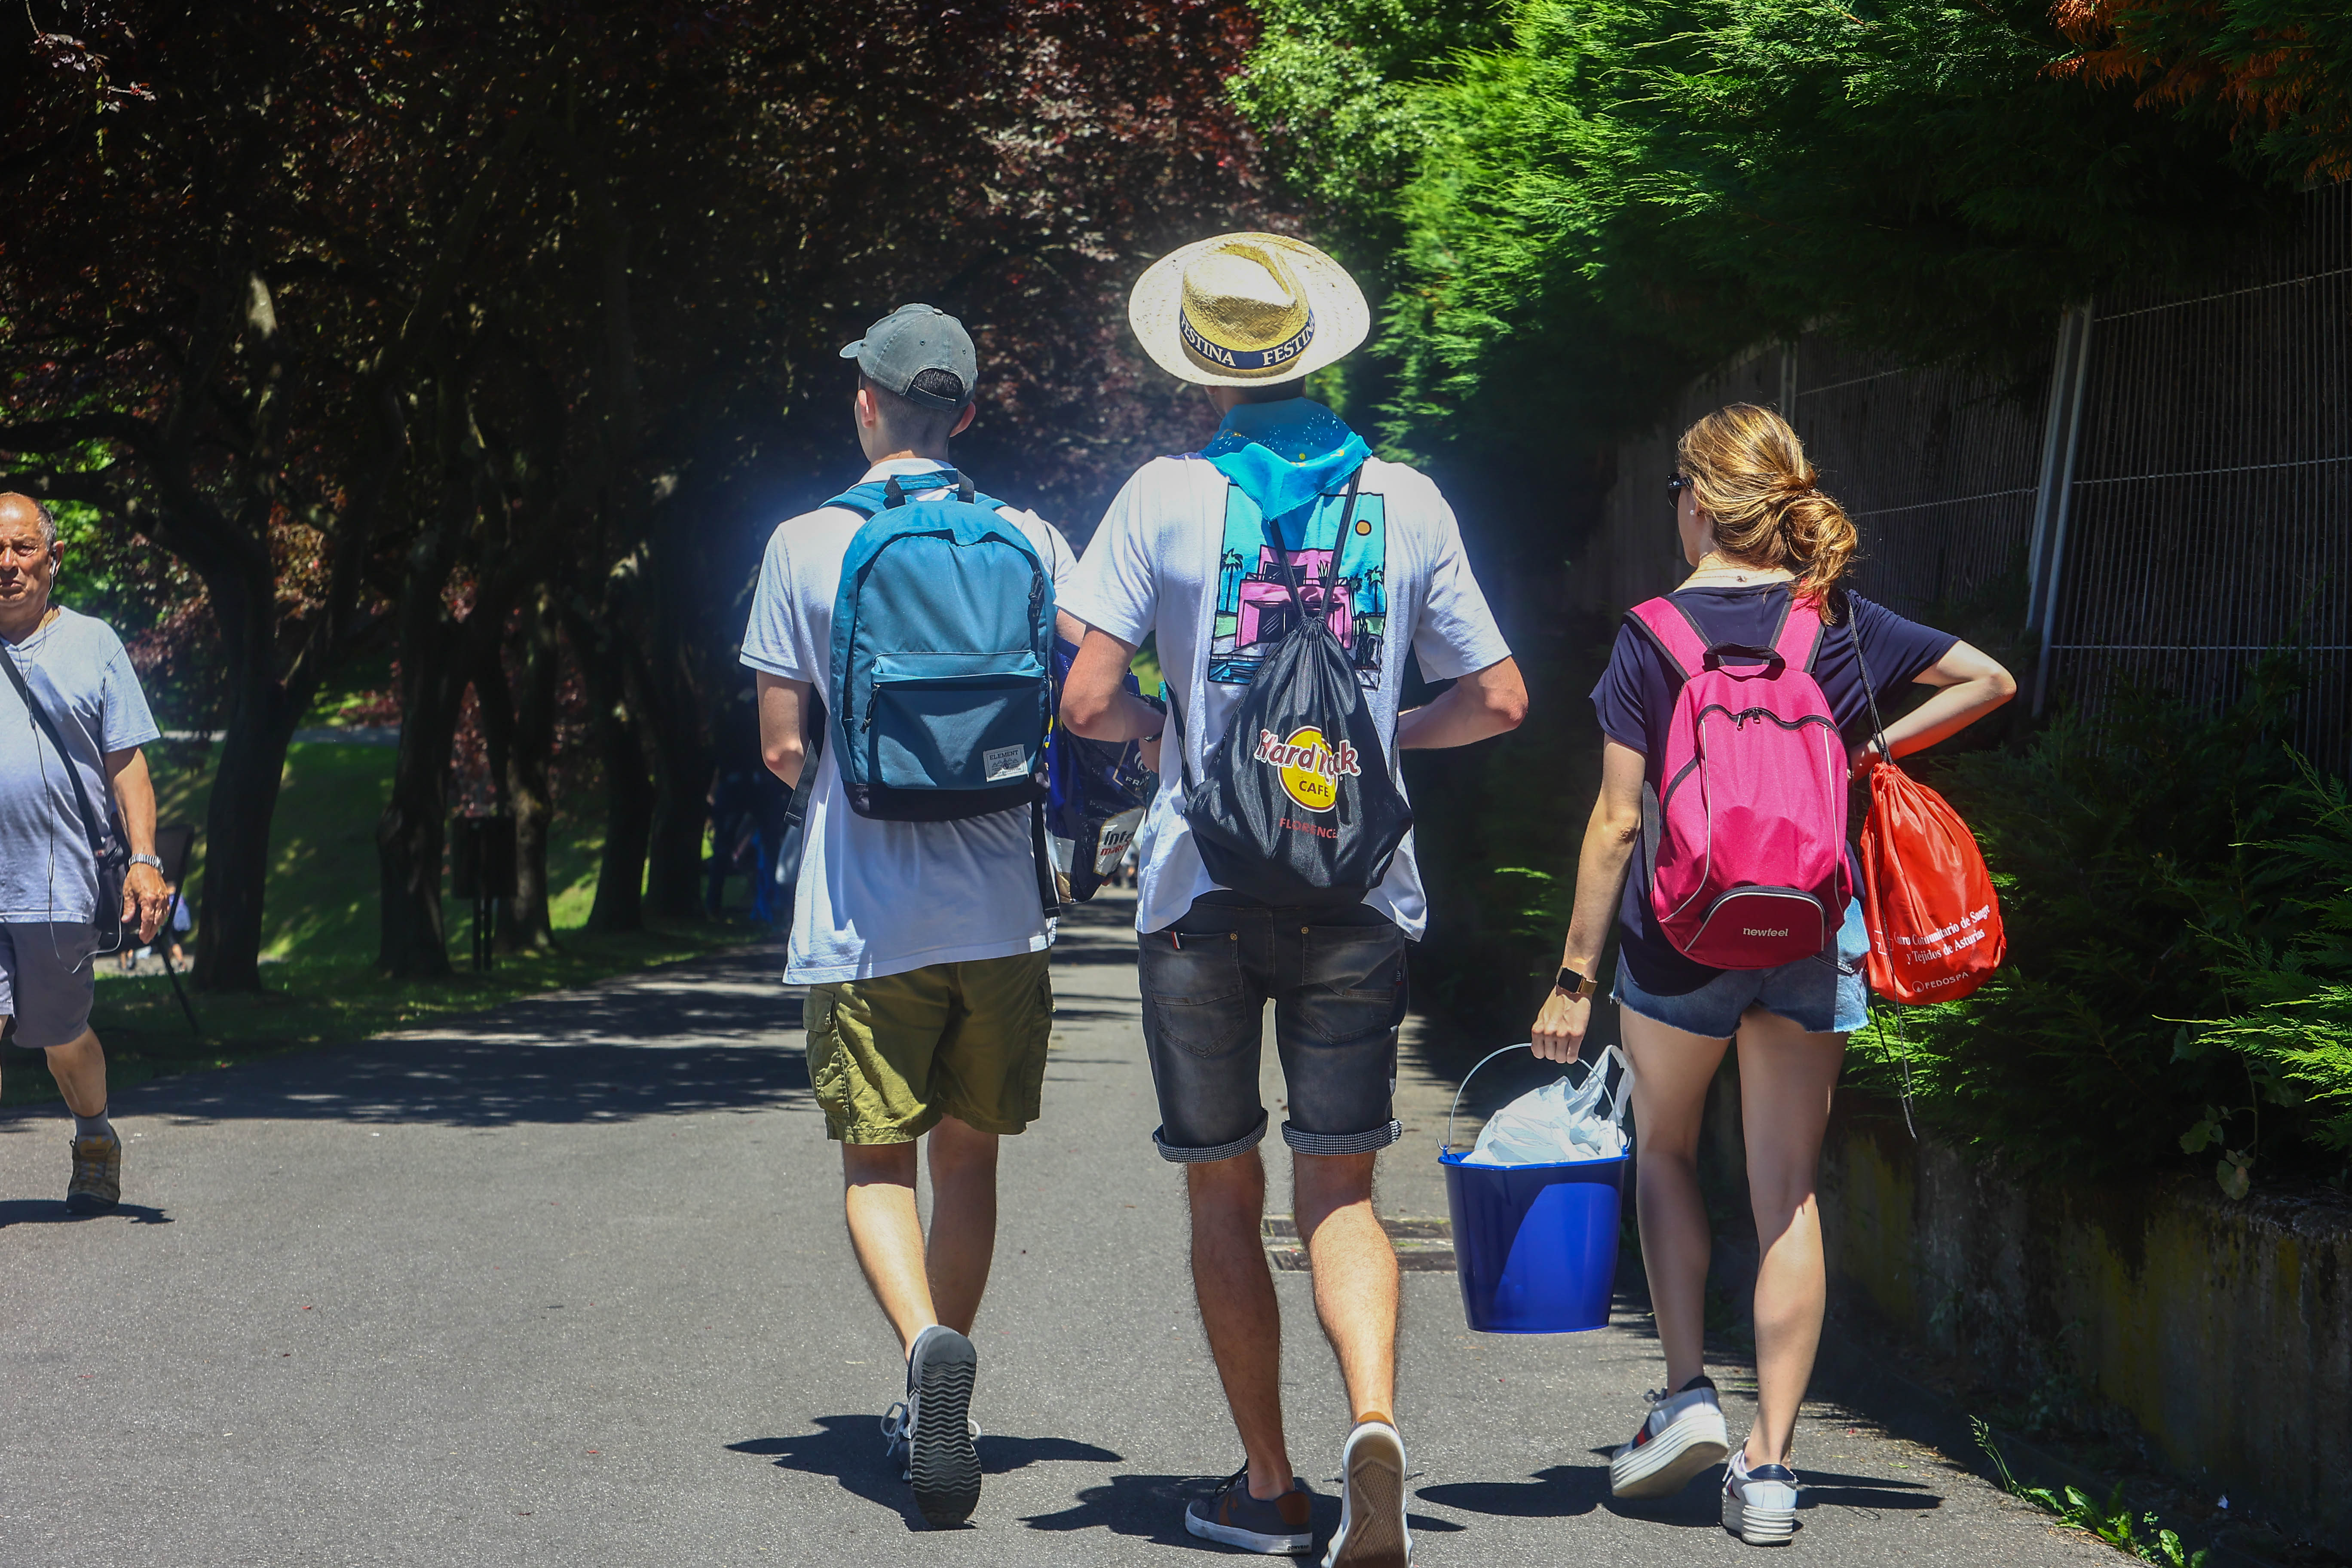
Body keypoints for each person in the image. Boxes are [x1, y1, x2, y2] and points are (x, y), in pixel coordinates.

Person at [1060, 234, 1528, 1564]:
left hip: (1195, 889)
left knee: (1223, 1193)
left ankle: (1267, 1485)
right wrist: (1377, 748)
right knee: (1341, 1195)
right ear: (1323, 347)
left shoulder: (1159, 496)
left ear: (1205, 367)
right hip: (1361, 886)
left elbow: (1089, 698)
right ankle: (1371, 1420)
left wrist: (1175, 747)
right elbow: (1499, 698)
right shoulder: (1410, 499)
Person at [1528, 404, 2015, 1547]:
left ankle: (1685, 1395)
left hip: (1676, 940)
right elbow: (1990, 680)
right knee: (1787, 1191)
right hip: (1808, 933)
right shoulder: (1834, 620)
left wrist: (1572, 977)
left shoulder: (1651, 633)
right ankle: (1776, 1468)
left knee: (1666, 1153)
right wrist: (1865, 750)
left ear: (1696, 503)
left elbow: (1612, 822)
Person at [741, 304, 1085, 1528]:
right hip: (1003, 909)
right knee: (970, 1156)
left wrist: (848, 783)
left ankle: (927, 1346)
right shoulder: (1034, 537)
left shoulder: (802, 543)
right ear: (970, 414)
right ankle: (947, 1387)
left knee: (875, 1158)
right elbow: (1082, 698)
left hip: (864, 910)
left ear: (866, 403)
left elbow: (787, 746)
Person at [0, 492, 171, 1213]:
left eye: (22, 549)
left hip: (56, 885)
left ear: (54, 557)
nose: (6, 565)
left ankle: (95, 1138)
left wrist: (145, 858)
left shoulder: (94, 643)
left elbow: (126, 762)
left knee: (61, 1034)